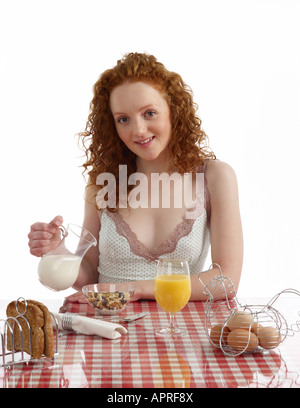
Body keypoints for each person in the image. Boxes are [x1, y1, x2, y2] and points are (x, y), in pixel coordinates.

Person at [28, 52, 243, 303]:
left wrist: (133, 289)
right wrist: (57, 251)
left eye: (149, 113)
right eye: (123, 119)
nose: (138, 130)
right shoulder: (103, 182)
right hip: (109, 326)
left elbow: (225, 281)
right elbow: (91, 279)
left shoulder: (214, 177)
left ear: (174, 110)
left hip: (181, 328)